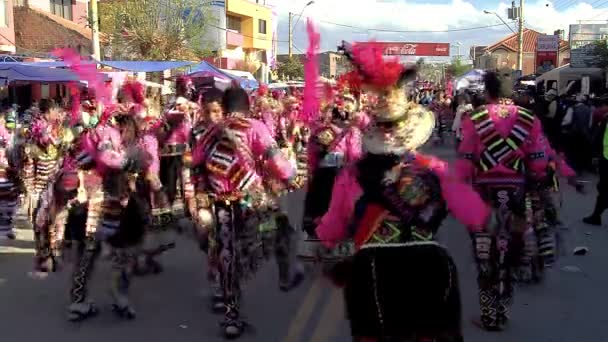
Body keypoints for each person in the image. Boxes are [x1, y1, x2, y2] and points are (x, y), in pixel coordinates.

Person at [316, 42, 489, 342]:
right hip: (430, 265)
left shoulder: (353, 174)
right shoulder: (435, 169)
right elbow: (474, 214)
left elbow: (332, 228)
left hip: (372, 270)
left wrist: (327, 240)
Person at [189, 86, 303, 338]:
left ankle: (231, 317)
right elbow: (277, 161)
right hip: (252, 201)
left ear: (226, 107)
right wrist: (292, 177)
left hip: (220, 204)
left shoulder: (209, 133)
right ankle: (287, 272)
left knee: (227, 255)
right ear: (247, 106)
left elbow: (195, 165)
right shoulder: (255, 127)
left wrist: (199, 195)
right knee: (280, 229)